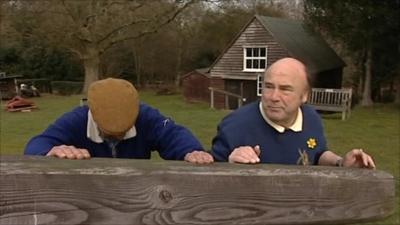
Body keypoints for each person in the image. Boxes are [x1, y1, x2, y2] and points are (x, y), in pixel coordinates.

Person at [211, 58, 375, 168]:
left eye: (285, 89)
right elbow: (210, 178)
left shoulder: (311, 118)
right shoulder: (234, 125)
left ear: (304, 95)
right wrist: (230, 163)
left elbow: (317, 154)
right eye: (268, 86)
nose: (274, 97)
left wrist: (340, 162)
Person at [25, 78, 213, 164]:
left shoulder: (146, 116)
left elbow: (172, 134)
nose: (117, 136)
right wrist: (52, 150)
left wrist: (191, 151)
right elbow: (37, 144)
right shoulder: (76, 120)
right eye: (109, 131)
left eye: (124, 130)